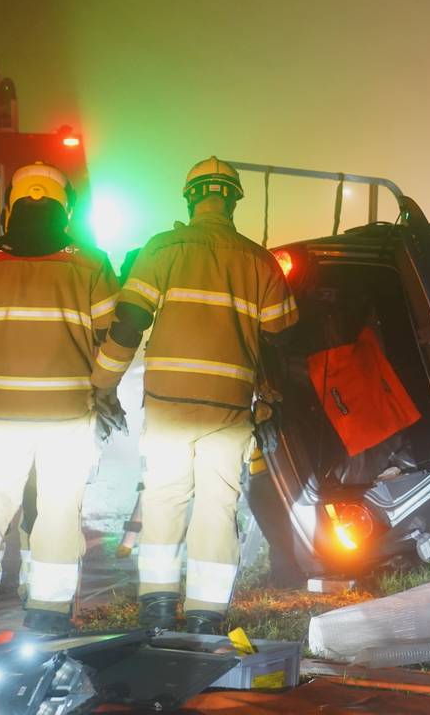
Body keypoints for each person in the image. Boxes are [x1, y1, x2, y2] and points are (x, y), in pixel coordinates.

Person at [90, 157, 297, 634]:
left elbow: (129, 323)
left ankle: (158, 606)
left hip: (168, 405)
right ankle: (206, 613)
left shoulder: (162, 249)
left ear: (190, 197)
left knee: (164, 500)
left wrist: (103, 383)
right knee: (217, 507)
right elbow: (284, 334)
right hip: (228, 410)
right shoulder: (258, 260)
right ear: (234, 201)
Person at [0, 162, 123, 633]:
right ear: (65, 207)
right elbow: (111, 336)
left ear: (11, 205)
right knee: (58, 506)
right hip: (68, 415)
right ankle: (49, 611)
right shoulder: (91, 262)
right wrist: (103, 390)